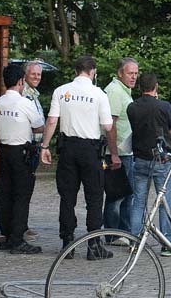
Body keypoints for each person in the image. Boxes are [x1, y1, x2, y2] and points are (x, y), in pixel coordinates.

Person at [40, 56, 117, 260]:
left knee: (67, 198)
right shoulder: (99, 94)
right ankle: (93, 245)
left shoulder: (61, 91)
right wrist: (114, 152)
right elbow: (108, 127)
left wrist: (44, 146)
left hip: (67, 150)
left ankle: (67, 243)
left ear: (76, 71)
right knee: (94, 198)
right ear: (93, 71)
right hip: (91, 150)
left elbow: (51, 121)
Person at [0, 64, 45, 254]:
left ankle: (5, 236)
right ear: (20, 81)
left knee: (5, 194)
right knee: (22, 196)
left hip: (4, 151)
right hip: (21, 152)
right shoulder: (25, 103)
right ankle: (17, 240)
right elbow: (40, 126)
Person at [127, 73, 171, 257]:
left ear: (140, 87)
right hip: (161, 161)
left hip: (140, 160)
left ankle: (134, 241)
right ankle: (167, 243)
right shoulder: (164, 106)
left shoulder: (132, 107)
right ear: (155, 86)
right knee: (164, 202)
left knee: (138, 202)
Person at [102, 58, 138, 246]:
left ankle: (124, 233)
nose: (133, 77)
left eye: (135, 73)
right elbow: (111, 124)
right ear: (120, 73)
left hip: (125, 152)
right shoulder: (115, 91)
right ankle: (114, 235)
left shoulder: (124, 91)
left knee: (126, 194)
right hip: (117, 153)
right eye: (130, 73)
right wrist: (114, 153)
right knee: (116, 195)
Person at [21, 60, 44, 240]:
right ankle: (20, 226)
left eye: (39, 74)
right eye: (33, 74)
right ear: (25, 75)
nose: (37, 77)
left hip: (35, 146)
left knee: (28, 187)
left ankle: (23, 224)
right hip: (26, 145)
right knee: (23, 187)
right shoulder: (23, 94)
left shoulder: (34, 94)